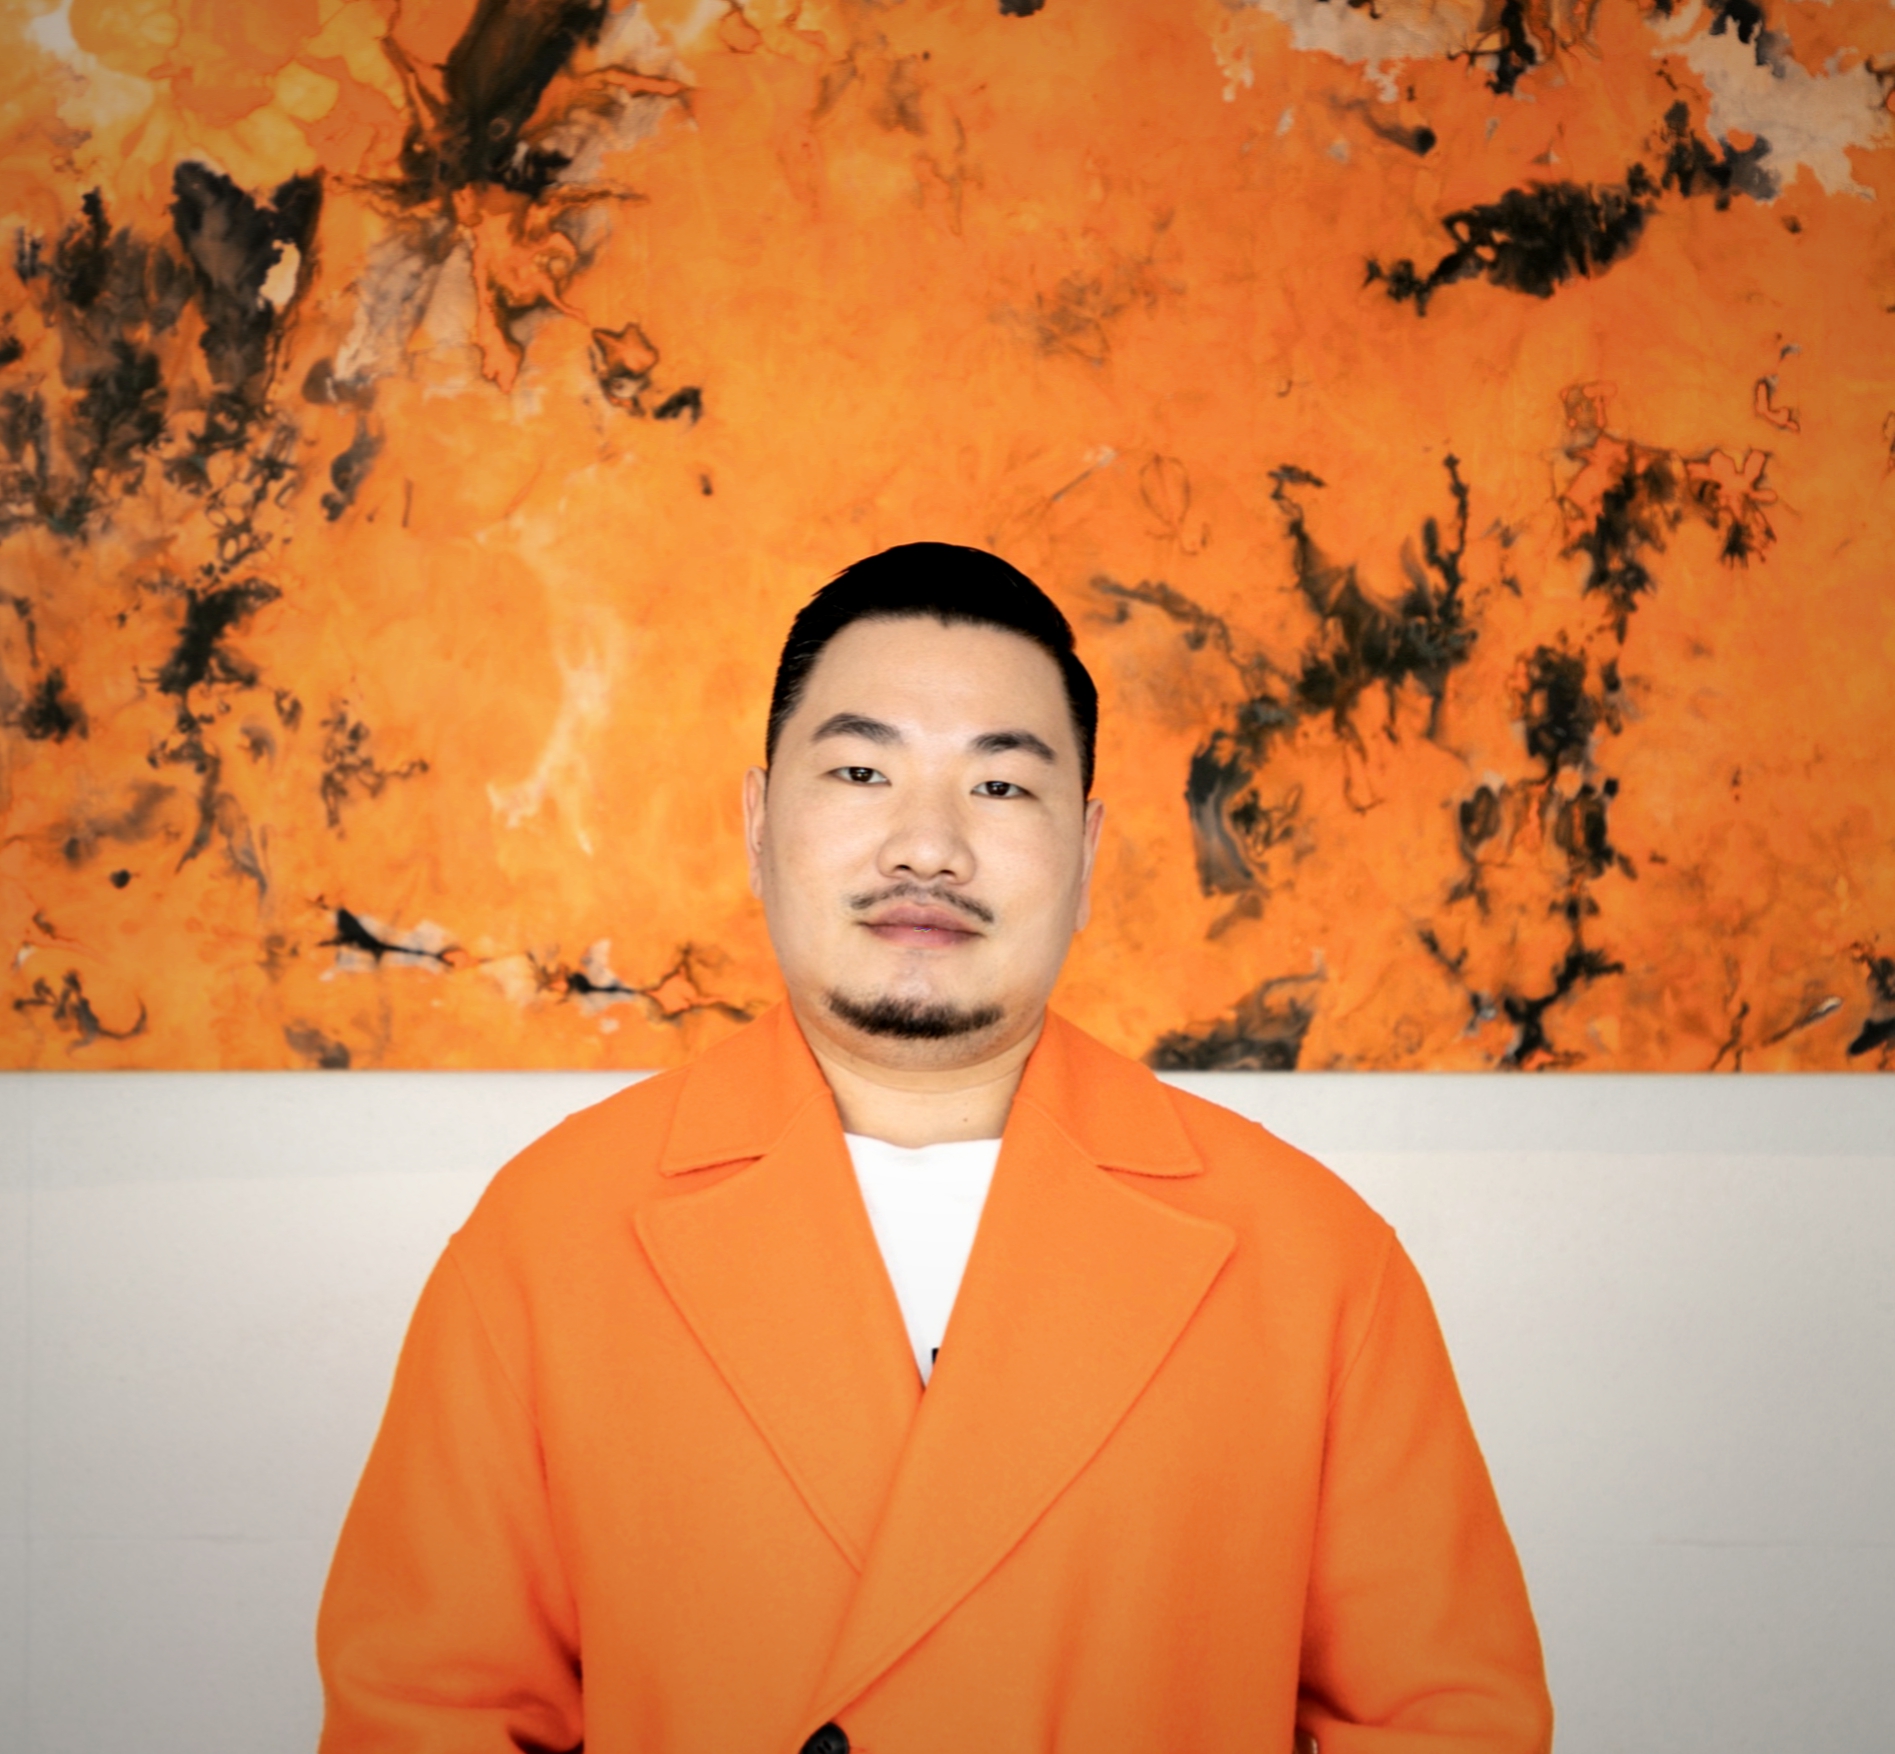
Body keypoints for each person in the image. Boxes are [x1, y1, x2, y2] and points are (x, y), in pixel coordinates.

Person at [316, 542, 1552, 1753]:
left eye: (1000, 786)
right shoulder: (546, 1240)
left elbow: (1443, 1723)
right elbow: (426, 1717)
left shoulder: (1314, 1260)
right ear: (755, 823)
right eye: (861, 770)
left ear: (1086, 854)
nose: (927, 845)